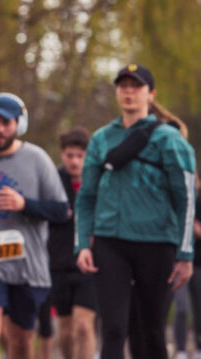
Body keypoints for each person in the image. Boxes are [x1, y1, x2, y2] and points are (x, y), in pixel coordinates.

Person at [75, 64, 196, 359]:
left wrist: (185, 254)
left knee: (151, 331)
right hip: (110, 243)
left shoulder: (169, 139)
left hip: (157, 245)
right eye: (123, 85)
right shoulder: (102, 139)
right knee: (114, 328)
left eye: (136, 86)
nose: (129, 91)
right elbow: (86, 196)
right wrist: (81, 244)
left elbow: (186, 199)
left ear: (150, 94)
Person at [0, 93, 69, 359]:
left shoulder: (37, 158)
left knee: (21, 342)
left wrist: (25, 204)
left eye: (6, 123)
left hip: (28, 264)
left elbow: (61, 211)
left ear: (18, 125)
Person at [44, 127, 97, 359]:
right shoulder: (52, 182)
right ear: (62, 154)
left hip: (91, 265)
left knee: (84, 326)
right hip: (58, 264)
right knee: (65, 331)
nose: (75, 161)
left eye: (80, 156)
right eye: (70, 155)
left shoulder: (97, 182)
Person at [172, 172, 201, 359]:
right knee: (181, 307)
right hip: (177, 261)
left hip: (198, 263)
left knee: (199, 308)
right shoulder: (178, 202)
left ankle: (198, 346)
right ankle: (181, 349)